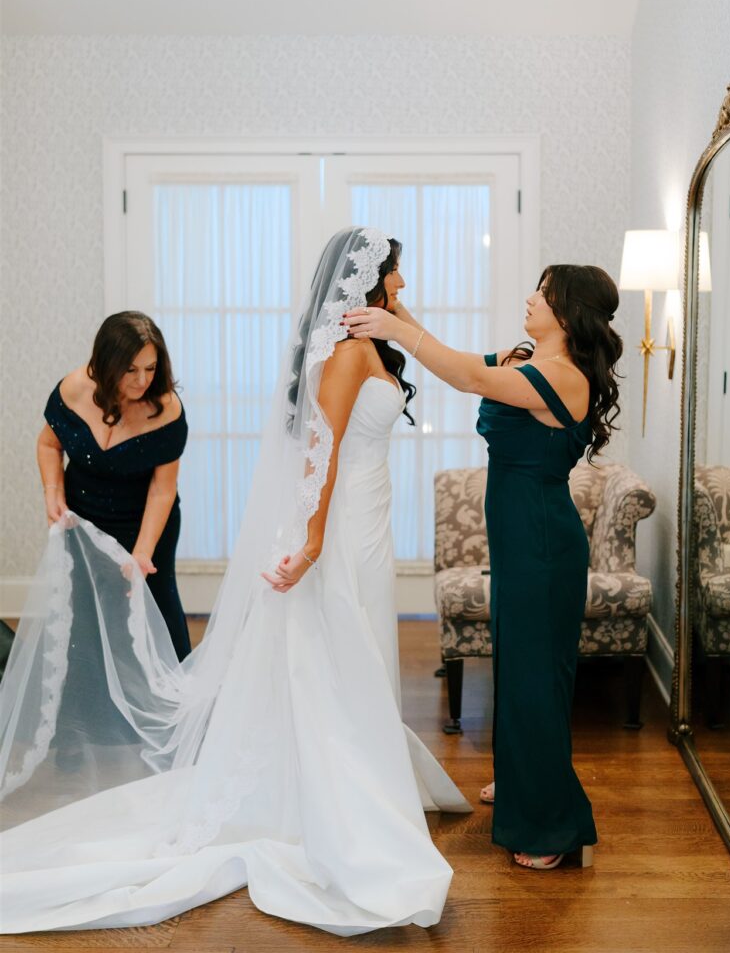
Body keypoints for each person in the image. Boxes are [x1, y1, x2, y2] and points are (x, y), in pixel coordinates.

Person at [0, 227, 469, 936]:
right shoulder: (345, 354)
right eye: (396, 272)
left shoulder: (372, 336)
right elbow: (321, 449)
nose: (403, 283)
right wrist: (311, 540)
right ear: (367, 276)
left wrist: (408, 324)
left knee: (361, 648)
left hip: (371, 518)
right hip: (340, 525)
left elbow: (429, 362)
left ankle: (364, 777)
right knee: (341, 651)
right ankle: (344, 796)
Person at [345, 261, 623, 870]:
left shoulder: (566, 378)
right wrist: (395, 309)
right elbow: (459, 360)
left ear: (568, 311)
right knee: (520, 665)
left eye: (543, 294)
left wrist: (392, 326)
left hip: (543, 545)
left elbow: (468, 376)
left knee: (536, 677)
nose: (529, 298)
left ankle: (549, 825)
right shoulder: (526, 356)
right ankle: (524, 780)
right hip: (521, 539)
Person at [38, 312, 191, 660]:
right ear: (107, 364)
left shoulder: (165, 409)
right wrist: (52, 493)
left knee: (156, 603)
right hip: (84, 520)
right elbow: (49, 444)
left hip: (145, 520)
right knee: (83, 606)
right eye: (131, 369)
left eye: (151, 368)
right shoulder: (74, 389)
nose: (142, 381)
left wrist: (142, 552)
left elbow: (162, 489)